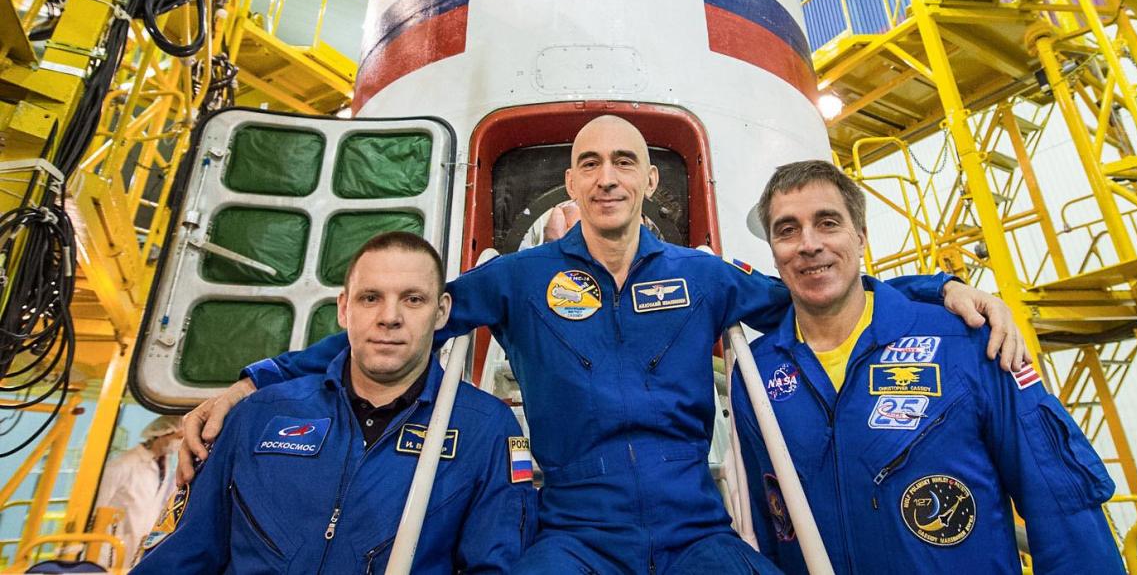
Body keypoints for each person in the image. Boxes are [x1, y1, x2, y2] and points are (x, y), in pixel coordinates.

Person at [179, 116, 1029, 574]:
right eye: (591, 163)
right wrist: (256, 382)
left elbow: (818, 288)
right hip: (574, 530)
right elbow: (394, 331)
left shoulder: (703, 278)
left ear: (650, 180)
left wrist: (935, 290)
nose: (608, 176)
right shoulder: (517, 280)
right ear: (574, 181)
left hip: (696, 527)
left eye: (625, 160)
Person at [732, 160, 1123, 574]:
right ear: (774, 253)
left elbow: (1061, 507)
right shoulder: (755, 374)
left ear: (861, 237)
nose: (809, 244)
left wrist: (941, 287)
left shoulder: (969, 343)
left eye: (828, 223)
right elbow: (766, 529)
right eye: (787, 230)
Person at [133, 232, 535, 573]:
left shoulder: (486, 430)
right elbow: (181, 556)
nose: (389, 317)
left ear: (442, 311)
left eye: (413, 299)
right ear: (344, 309)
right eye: (370, 298)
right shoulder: (259, 415)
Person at [93, 414, 182, 568]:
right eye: (179, 437)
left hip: (141, 545)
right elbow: (99, 507)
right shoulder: (122, 465)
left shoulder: (165, 465)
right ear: (162, 434)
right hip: (112, 546)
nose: (180, 444)